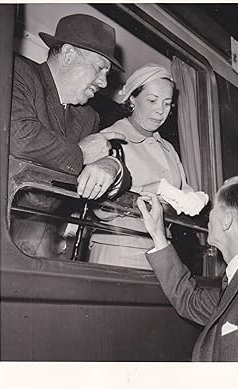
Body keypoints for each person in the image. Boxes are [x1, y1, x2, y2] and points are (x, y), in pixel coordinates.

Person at [10, 14, 129, 257]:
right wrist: (83, 153)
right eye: (100, 68)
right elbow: (20, 137)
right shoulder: (17, 72)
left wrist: (111, 165)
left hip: (49, 244)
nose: (105, 83)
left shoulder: (88, 117)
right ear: (68, 55)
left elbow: (123, 181)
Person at [137, 175, 238, 361]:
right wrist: (157, 233)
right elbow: (190, 301)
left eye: (214, 209)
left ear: (226, 220)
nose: (209, 216)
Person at [89, 63, 208, 269]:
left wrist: (195, 198)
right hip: (119, 248)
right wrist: (154, 190)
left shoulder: (168, 148)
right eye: (152, 100)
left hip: (161, 250)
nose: (160, 111)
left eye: (167, 103)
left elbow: (180, 191)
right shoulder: (110, 138)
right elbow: (101, 209)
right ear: (132, 99)